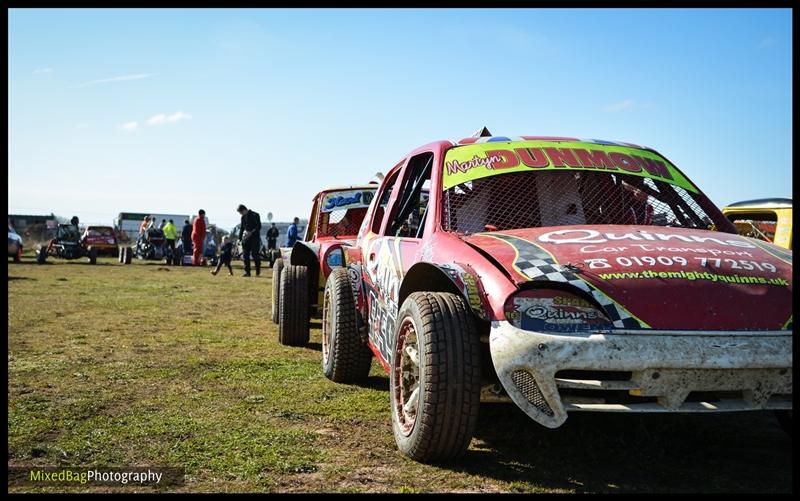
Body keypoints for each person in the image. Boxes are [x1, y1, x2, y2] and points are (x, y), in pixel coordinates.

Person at [237, 204, 262, 277]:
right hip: (246, 239)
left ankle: (258, 269)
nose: (241, 214)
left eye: (241, 212)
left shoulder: (255, 215)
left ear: (244, 210)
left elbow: (259, 226)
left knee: (255, 254)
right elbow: (242, 228)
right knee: (245, 255)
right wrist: (239, 238)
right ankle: (247, 272)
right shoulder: (243, 217)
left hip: (254, 238)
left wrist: (251, 232)